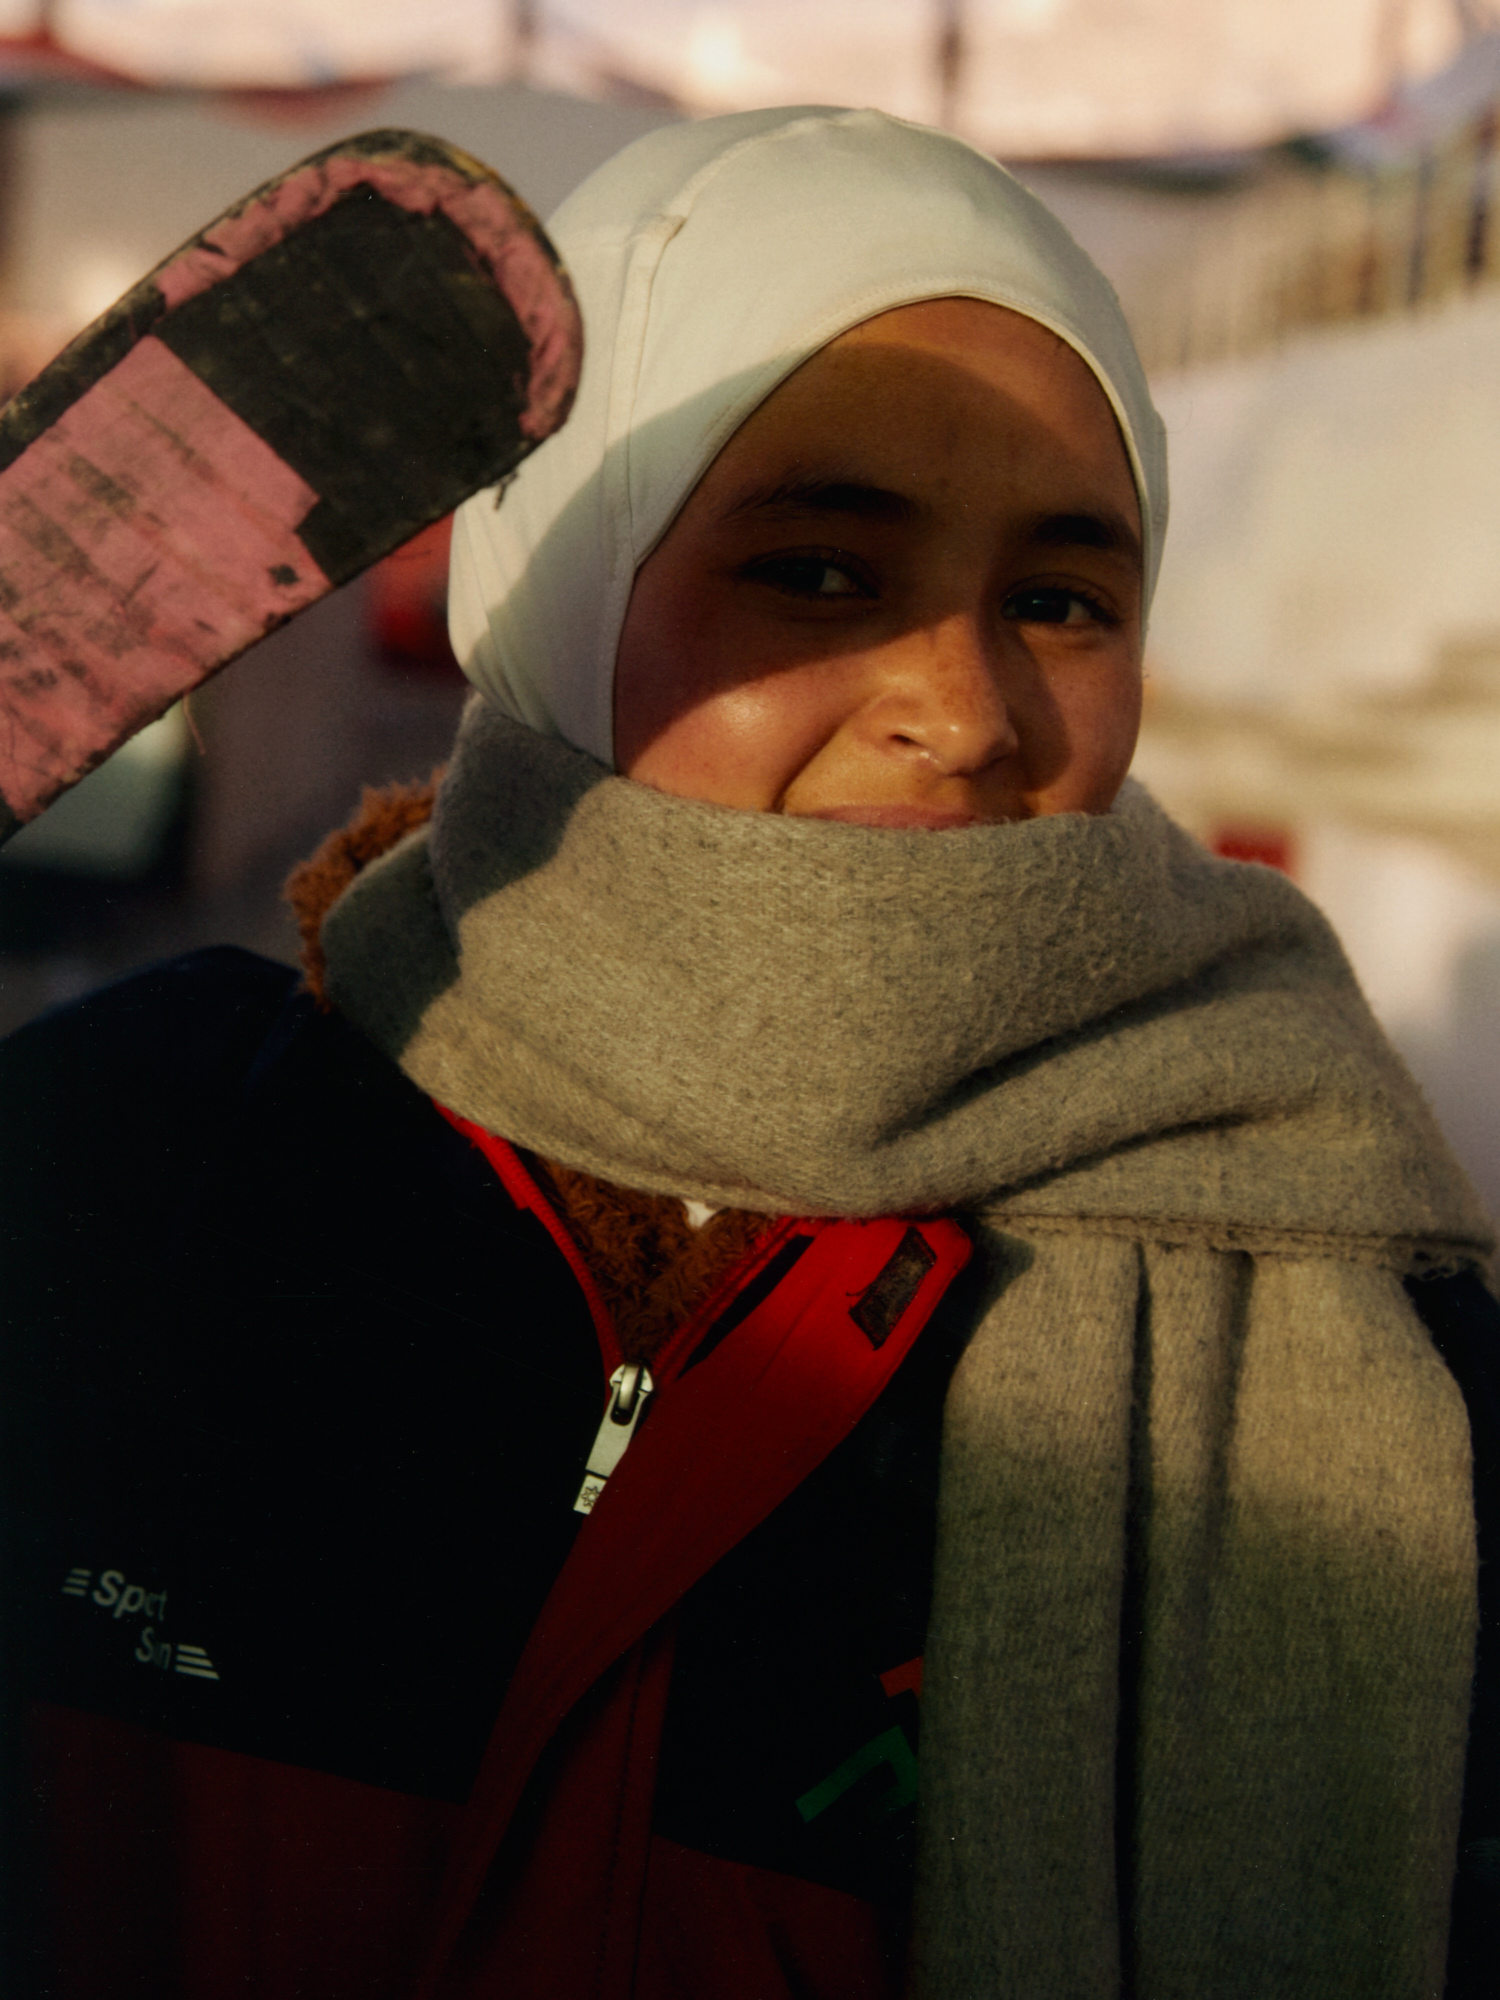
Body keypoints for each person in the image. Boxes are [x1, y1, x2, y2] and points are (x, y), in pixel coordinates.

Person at [3, 105, 1497, 2000]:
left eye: (1059, 599)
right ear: (560, 587)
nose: (961, 712)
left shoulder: (1373, 1350)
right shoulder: (128, 1177)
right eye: (816, 570)